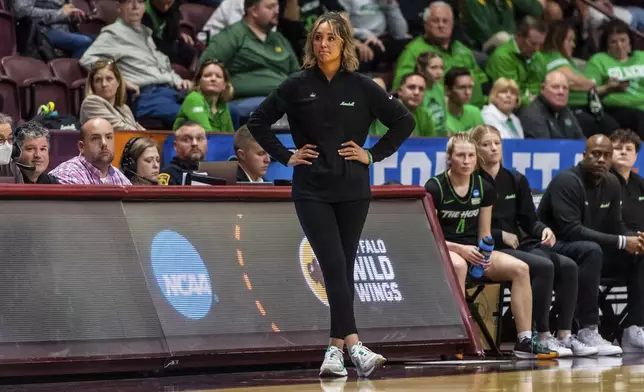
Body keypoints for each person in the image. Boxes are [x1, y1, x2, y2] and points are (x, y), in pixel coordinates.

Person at [247, 12, 415, 377]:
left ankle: (334, 352)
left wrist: (372, 154)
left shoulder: (362, 86)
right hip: (311, 191)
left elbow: (405, 121)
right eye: (318, 38)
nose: (323, 44)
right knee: (334, 265)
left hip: (354, 190)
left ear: (344, 43)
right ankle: (354, 345)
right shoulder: (295, 85)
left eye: (331, 38)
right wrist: (286, 156)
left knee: (344, 267)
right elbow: (257, 121)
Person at [425, 133, 557, 360]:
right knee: (458, 266)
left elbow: (484, 234)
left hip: (474, 251)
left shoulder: (484, 187)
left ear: (477, 159)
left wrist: (484, 254)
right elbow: (430, 236)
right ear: (449, 159)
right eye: (460, 156)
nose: (466, 161)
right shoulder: (435, 186)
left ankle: (525, 340)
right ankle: (458, 337)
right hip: (445, 250)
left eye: (470, 156)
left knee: (521, 269)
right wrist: (460, 250)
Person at [471, 125, 597, 357]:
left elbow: (529, 219)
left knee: (568, 266)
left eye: (496, 143)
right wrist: (500, 235)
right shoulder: (473, 182)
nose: (493, 148)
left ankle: (565, 336)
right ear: (476, 149)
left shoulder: (515, 179)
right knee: (543, 266)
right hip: (494, 247)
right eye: (486, 144)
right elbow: (472, 226)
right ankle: (542, 335)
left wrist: (543, 229)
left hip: (520, 244)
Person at [538, 134, 644, 354]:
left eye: (606, 155)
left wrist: (636, 240)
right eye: (595, 154)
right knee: (591, 250)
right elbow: (571, 231)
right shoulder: (567, 181)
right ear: (584, 155)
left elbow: (616, 225)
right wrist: (623, 241)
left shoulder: (612, 183)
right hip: (554, 248)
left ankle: (633, 327)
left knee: (641, 253)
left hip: (591, 253)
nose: (601, 160)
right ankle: (588, 329)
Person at [80, 0, 193, 128]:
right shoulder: (113, 33)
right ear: (119, 7)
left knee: (208, 112)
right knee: (190, 118)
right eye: (129, 2)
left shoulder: (146, 33)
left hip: (172, 91)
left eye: (139, 2)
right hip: (148, 96)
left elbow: (162, 68)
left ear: (144, 7)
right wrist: (120, 79)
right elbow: (87, 59)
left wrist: (180, 81)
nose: (135, 6)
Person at [538, 21, 625, 137]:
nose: (573, 45)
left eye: (573, 41)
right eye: (569, 40)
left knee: (614, 128)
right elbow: (577, 83)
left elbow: (585, 88)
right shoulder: (554, 57)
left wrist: (606, 88)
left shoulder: (569, 61)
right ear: (557, 39)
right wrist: (590, 82)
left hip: (587, 107)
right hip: (570, 109)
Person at [585, 20, 644, 137]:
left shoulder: (641, 56)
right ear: (606, 45)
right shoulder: (598, 60)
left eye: (623, 40)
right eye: (613, 42)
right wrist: (608, 88)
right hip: (616, 109)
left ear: (630, 41)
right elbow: (589, 91)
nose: (619, 46)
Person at [485, 16, 548, 106]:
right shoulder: (502, 57)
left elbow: (541, 86)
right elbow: (510, 95)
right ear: (519, 35)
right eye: (533, 43)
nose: (537, 49)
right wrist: (534, 101)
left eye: (540, 45)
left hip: (533, 106)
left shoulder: (538, 57)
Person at [50, 119, 132, 185]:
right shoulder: (68, 174)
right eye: (95, 138)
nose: (104, 143)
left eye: (108, 137)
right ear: (81, 147)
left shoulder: (118, 176)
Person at [518, 70, 585, 139]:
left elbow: (582, 142)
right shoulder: (532, 113)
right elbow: (545, 147)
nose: (561, 92)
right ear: (542, 88)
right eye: (555, 87)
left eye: (565, 88)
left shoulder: (565, 110)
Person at [80, 60, 145, 131]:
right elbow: (120, 129)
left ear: (118, 82)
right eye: (98, 80)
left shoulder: (125, 109)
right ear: (93, 86)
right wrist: (142, 134)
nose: (104, 84)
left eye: (109, 79)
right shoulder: (90, 103)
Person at [369, 73, 440, 137]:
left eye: (421, 89)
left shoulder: (426, 115)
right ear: (400, 91)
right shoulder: (386, 110)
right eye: (411, 87)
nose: (416, 92)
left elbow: (431, 144)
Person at [174, 60, 235, 132]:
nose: (213, 79)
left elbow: (230, 136)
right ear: (199, 82)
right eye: (207, 75)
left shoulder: (222, 105)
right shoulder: (194, 99)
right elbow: (206, 134)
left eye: (218, 76)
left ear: (225, 85)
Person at [610, 129, 644, 234]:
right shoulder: (601, 182)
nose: (623, 152)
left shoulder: (640, 183)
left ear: (636, 157)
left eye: (629, 149)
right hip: (615, 241)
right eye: (618, 148)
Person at [415, 52, 447, 135]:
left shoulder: (439, 88)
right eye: (433, 68)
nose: (439, 72)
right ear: (421, 69)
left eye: (441, 67)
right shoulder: (417, 90)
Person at [445, 68, 484, 133]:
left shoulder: (474, 112)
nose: (468, 93)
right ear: (447, 90)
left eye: (470, 87)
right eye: (461, 88)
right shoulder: (439, 118)